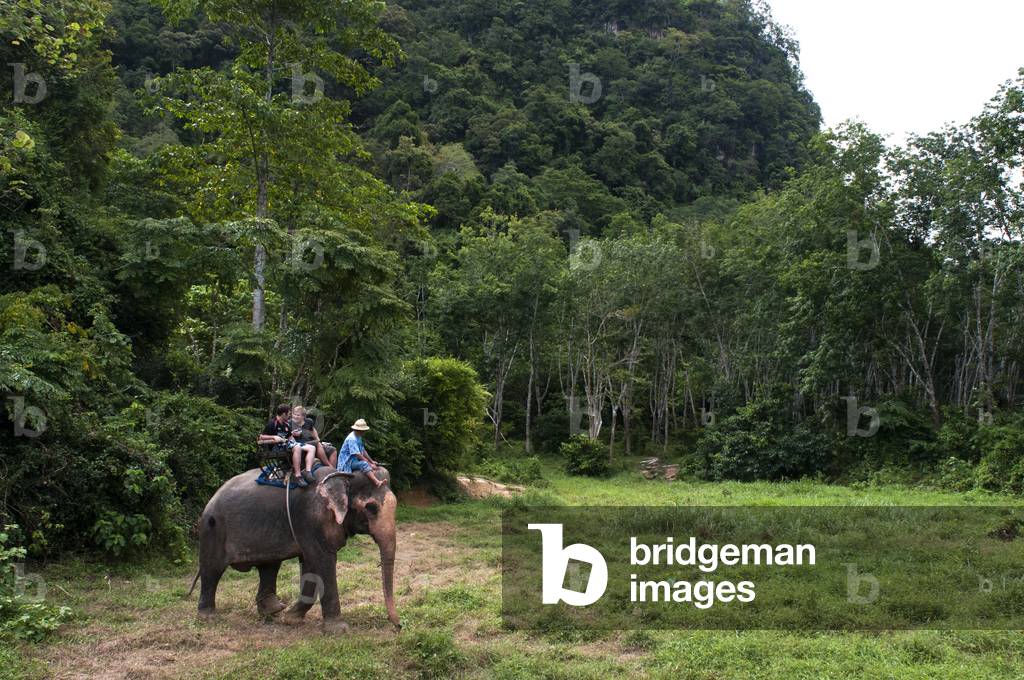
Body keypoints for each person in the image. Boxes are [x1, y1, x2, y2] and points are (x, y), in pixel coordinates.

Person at [336, 419, 386, 487]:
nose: (364, 432)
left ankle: (370, 472)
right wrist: (369, 463)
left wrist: (371, 461)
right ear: (360, 430)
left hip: (354, 460)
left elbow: (363, 450)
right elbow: (357, 454)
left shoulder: (358, 436)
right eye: (363, 430)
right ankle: (376, 482)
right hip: (347, 462)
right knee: (364, 464)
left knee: (367, 463)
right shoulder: (352, 439)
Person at [287, 405, 321, 487]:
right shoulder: (289, 423)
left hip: (305, 442)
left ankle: (308, 471)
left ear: (303, 416)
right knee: (315, 445)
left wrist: (317, 438)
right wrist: (292, 434)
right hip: (293, 443)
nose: (295, 416)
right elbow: (285, 436)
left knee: (317, 446)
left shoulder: (308, 421)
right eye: (294, 414)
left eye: (297, 415)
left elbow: (313, 429)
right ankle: (298, 475)